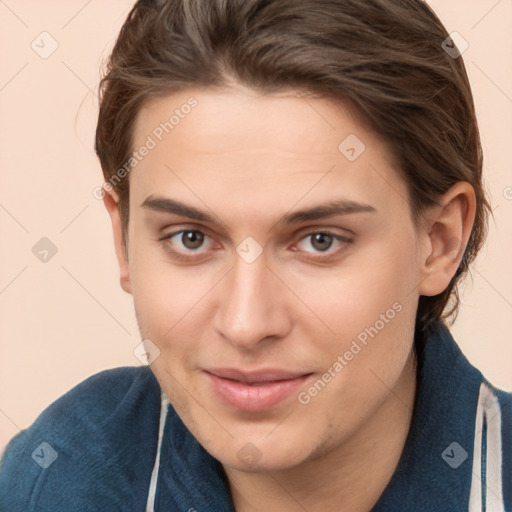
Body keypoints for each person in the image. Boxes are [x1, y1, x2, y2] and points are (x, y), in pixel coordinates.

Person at [0, 0, 510, 510]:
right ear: (124, 239)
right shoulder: (53, 480)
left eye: (320, 241)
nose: (246, 325)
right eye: (190, 238)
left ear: (440, 241)